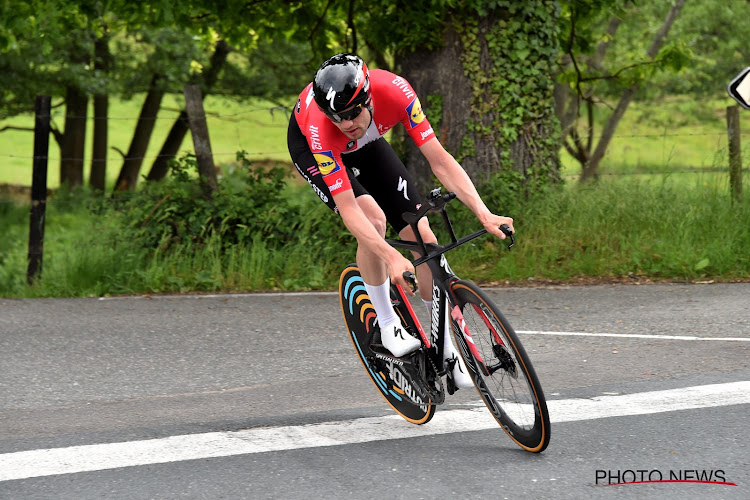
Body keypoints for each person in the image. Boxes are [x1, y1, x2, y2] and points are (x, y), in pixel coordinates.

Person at [287, 53, 514, 389]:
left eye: (352, 112)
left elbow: (439, 160)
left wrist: (483, 212)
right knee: (374, 221)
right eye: (338, 116)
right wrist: (392, 257)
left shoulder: (396, 92)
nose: (347, 122)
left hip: (369, 144)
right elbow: (349, 208)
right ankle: (388, 321)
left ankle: (446, 350)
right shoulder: (323, 128)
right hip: (315, 149)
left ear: (368, 99)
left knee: (425, 238)